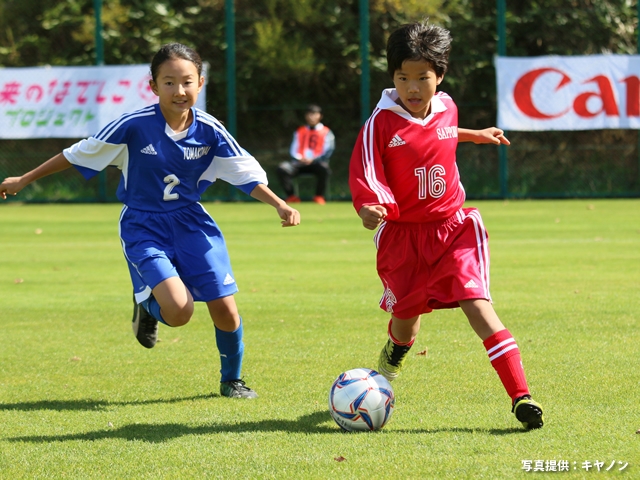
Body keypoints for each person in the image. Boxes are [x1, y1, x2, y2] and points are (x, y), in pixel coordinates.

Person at [0, 43, 300, 399]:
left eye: (187, 82)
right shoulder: (134, 126)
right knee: (179, 312)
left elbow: (245, 175)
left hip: (192, 223)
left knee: (226, 308)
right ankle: (148, 306)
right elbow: (76, 154)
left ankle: (231, 380)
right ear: (153, 86)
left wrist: (279, 204)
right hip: (143, 226)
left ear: (200, 83)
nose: (179, 91)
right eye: (169, 82)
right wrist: (23, 179)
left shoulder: (210, 130)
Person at [349, 21, 544, 429]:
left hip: (454, 228)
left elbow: (441, 131)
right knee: (406, 320)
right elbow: (365, 172)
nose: (413, 87)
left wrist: (475, 134)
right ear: (393, 77)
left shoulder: (447, 105)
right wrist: (369, 207)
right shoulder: (379, 125)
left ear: (440, 76)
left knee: (478, 305)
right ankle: (396, 351)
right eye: (404, 77)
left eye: (423, 77)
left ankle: (521, 396)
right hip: (403, 237)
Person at [276, 104, 335, 205]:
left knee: (324, 168)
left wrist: (314, 159)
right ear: (305, 116)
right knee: (282, 168)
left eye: (314, 114)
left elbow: (328, 150)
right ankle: (292, 197)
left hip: (317, 163)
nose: (311, 117)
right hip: (299, 163)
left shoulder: (326, 132)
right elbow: (293, 149)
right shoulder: (300, 131)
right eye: (309, 114)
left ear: (320, 116)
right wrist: (299, 158)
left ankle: (319, 197)